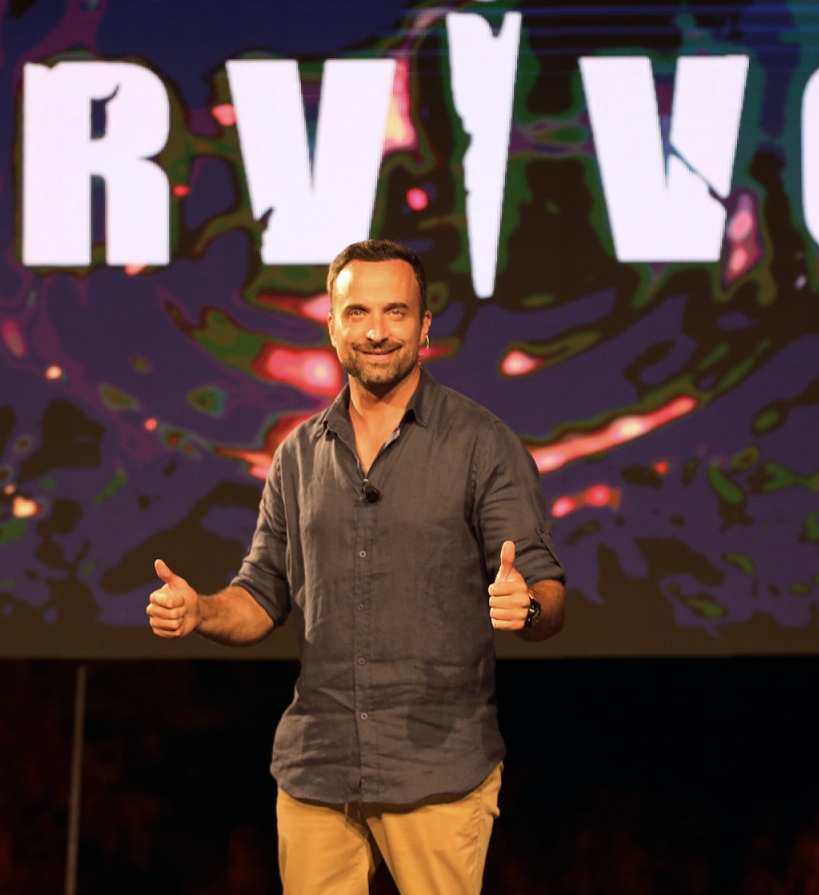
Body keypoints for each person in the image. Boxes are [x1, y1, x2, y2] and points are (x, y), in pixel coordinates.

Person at [147, 239, 565, 894]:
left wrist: (530, 607)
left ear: (424, 327)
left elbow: (545, 590)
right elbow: (260, 594)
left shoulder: (483, 444)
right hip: (318, 770)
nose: (376, 331)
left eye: (396, 312)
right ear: (333, 327)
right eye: (358, 313)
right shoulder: (296, 456)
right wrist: (201, 610)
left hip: (438, 768)